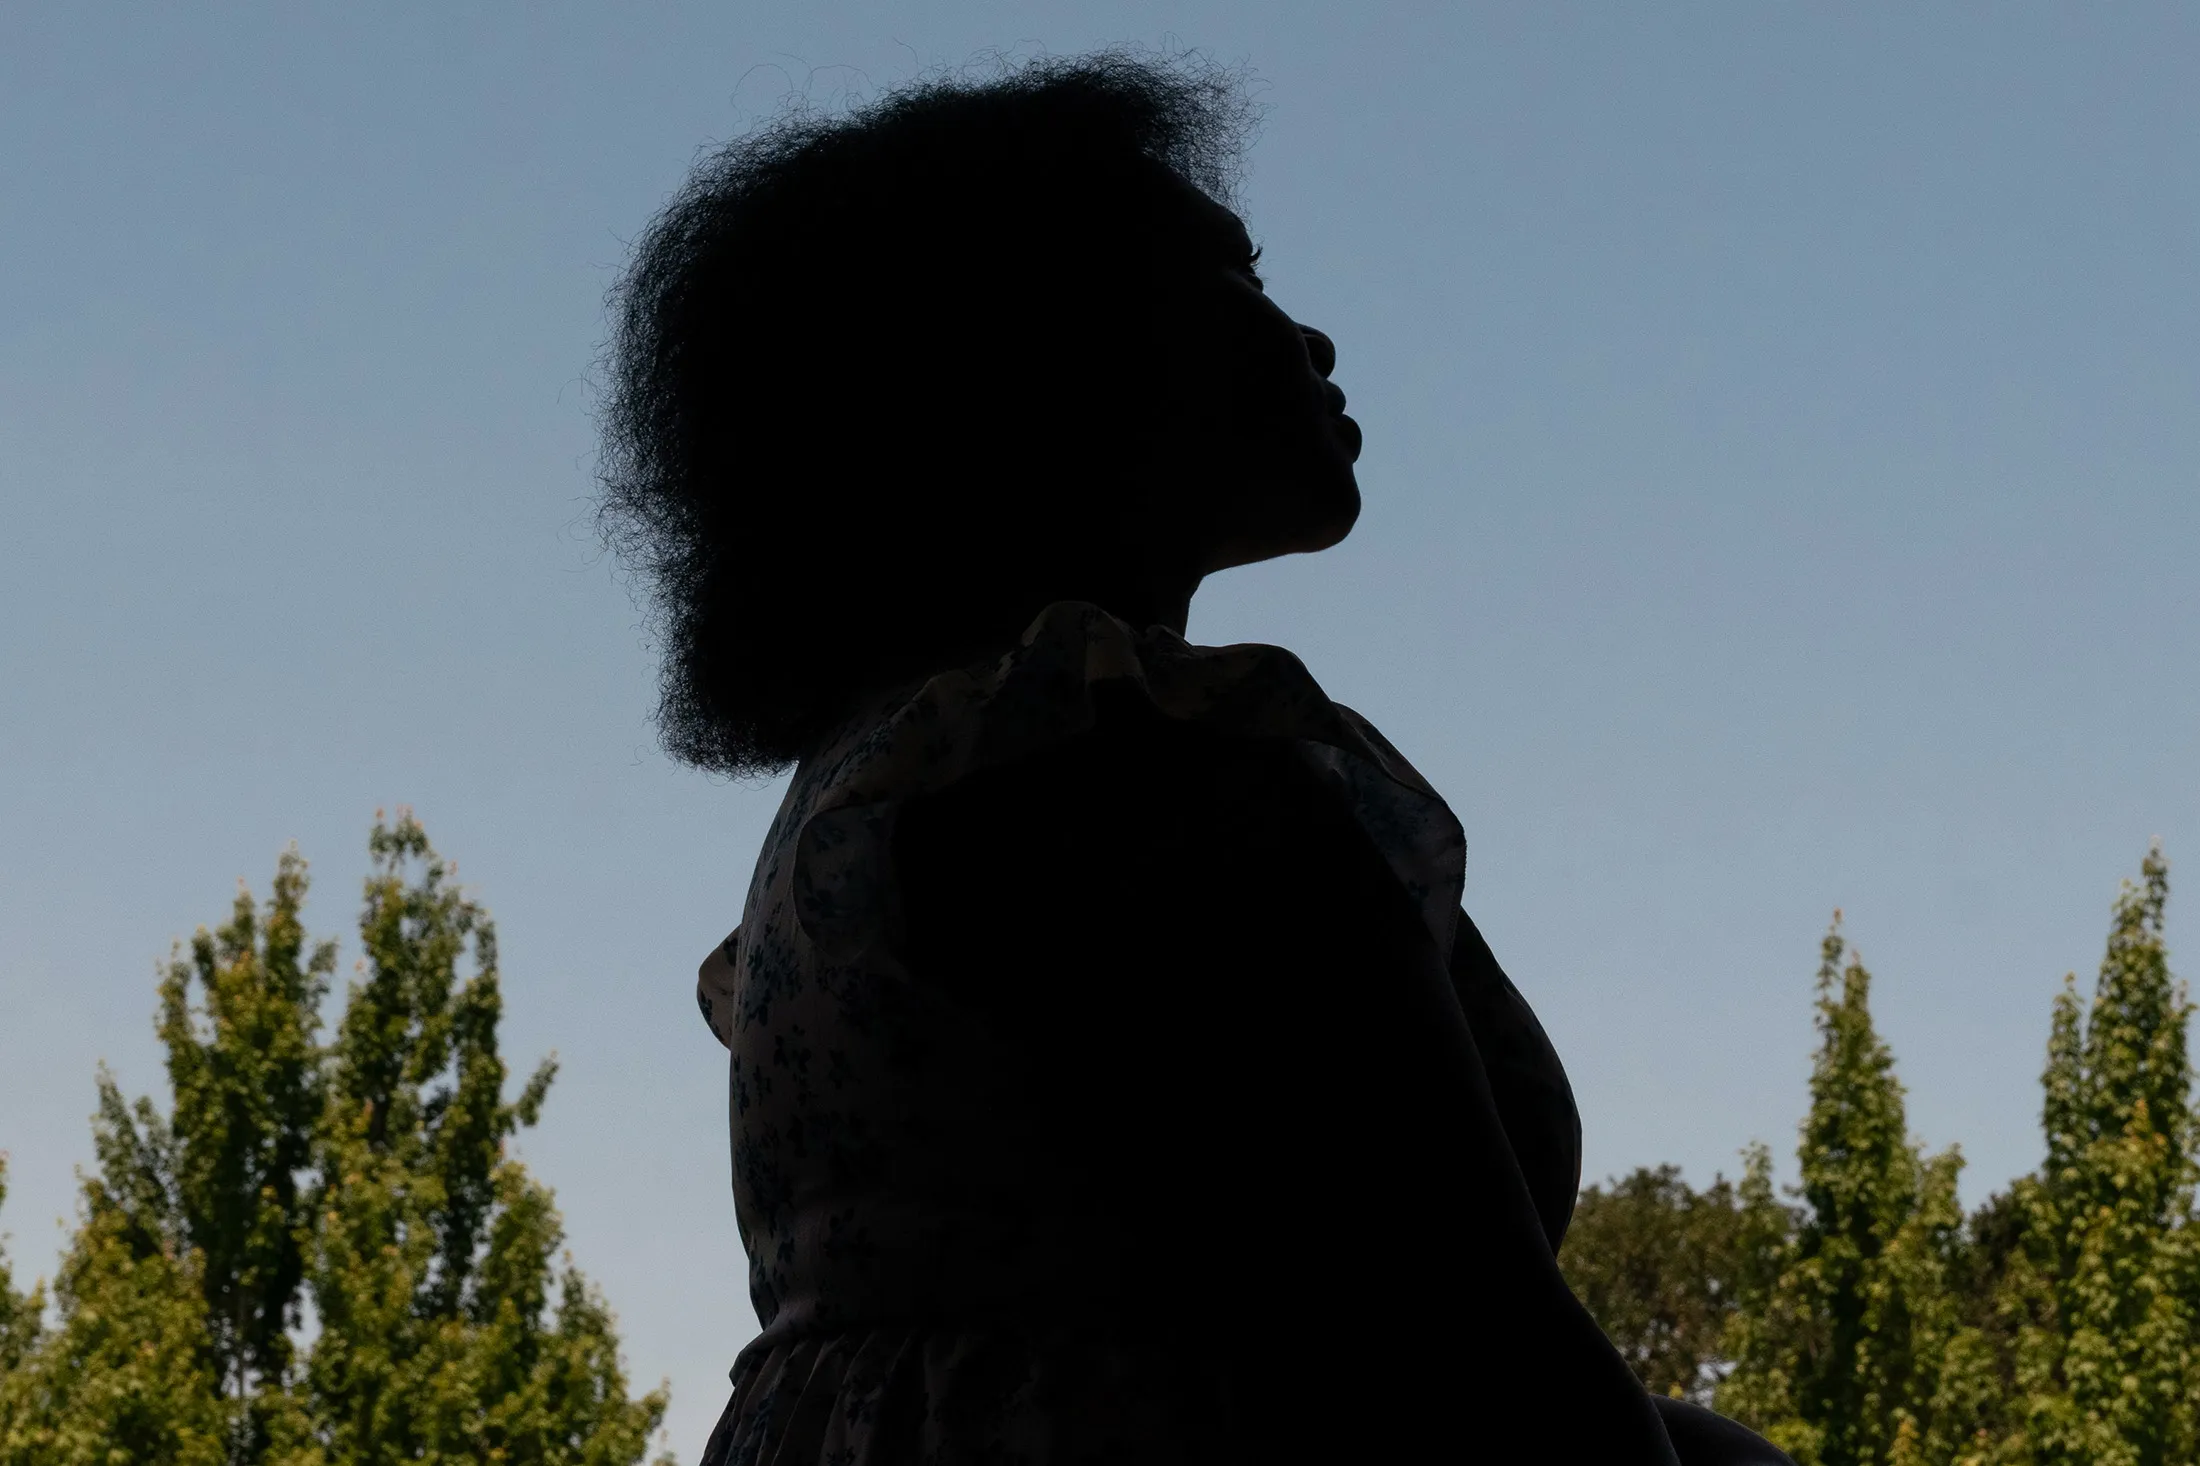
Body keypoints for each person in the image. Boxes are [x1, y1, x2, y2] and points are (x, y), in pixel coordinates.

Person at [600, 51, 1792, 1465]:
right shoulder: (1138, 782)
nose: (1312, 337)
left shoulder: (872, 805)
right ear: (1037, 357)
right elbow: (1495, 1370)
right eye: (1234, 276)